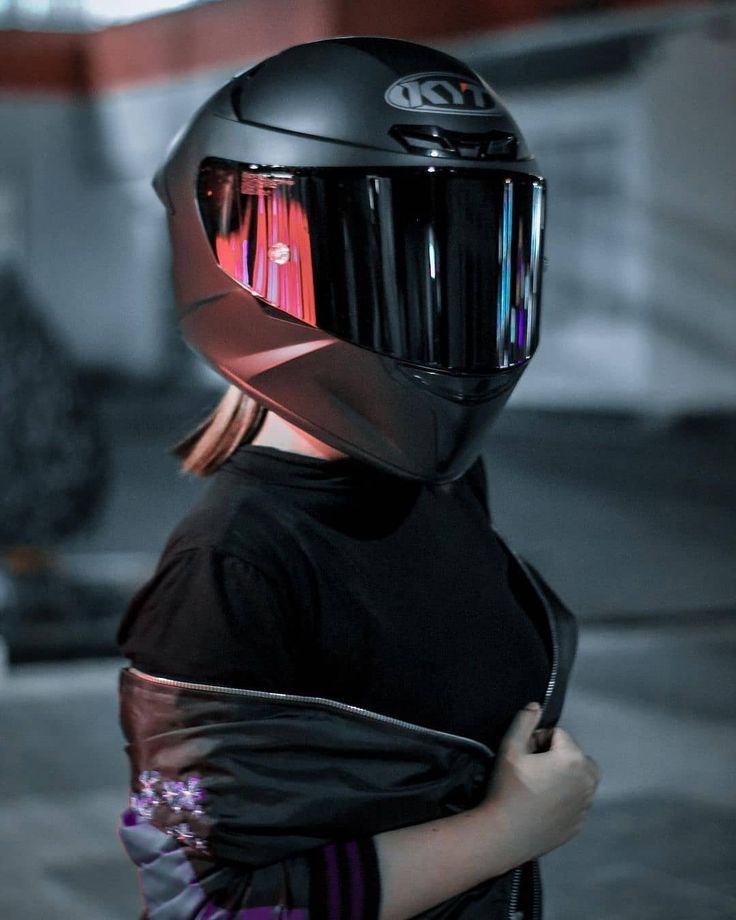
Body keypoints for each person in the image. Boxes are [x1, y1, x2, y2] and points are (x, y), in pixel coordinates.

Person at [116, 36, 600, 920]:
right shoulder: (230, 569)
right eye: (384, 263)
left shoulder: (440, 486)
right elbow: (202, 905)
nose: (440, 299)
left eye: (461, 255)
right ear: (243, 262)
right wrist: (505, 832)